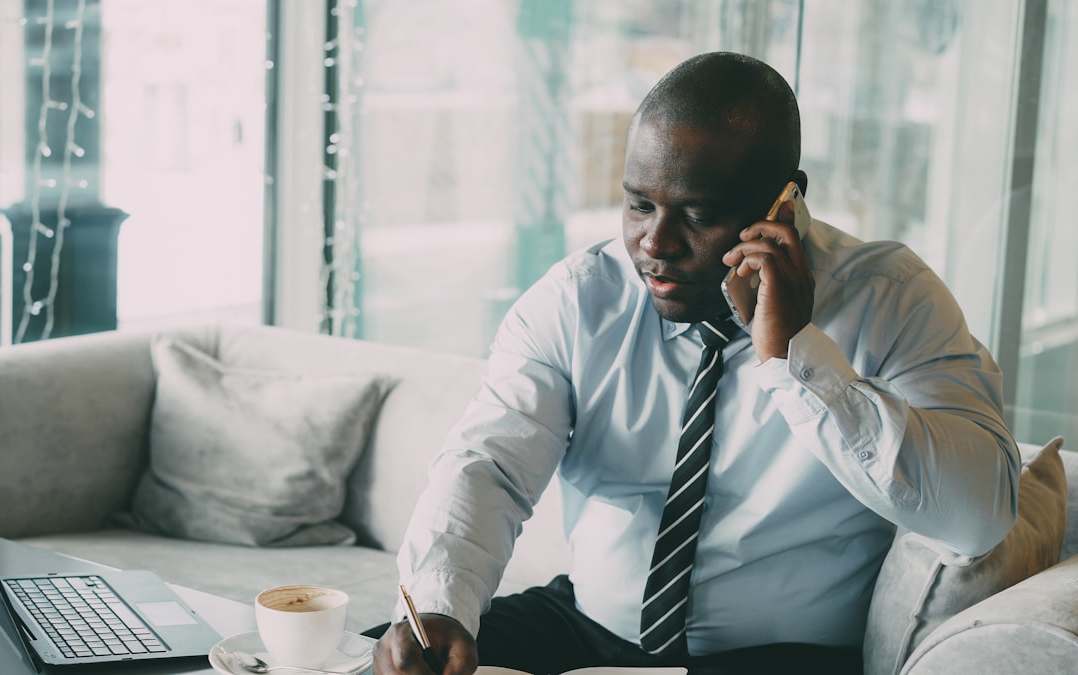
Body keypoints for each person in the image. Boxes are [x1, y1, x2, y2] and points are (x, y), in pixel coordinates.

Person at [370, 51, 1019, 675]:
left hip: (781, 656)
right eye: (639, 204)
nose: (655, 244)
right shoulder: (579, 299)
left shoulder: (892, 298)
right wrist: (437, 606)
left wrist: (794, 356)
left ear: (783, 205)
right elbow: (489, 466)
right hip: (589, 626)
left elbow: (979, 514)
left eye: (699, 214)